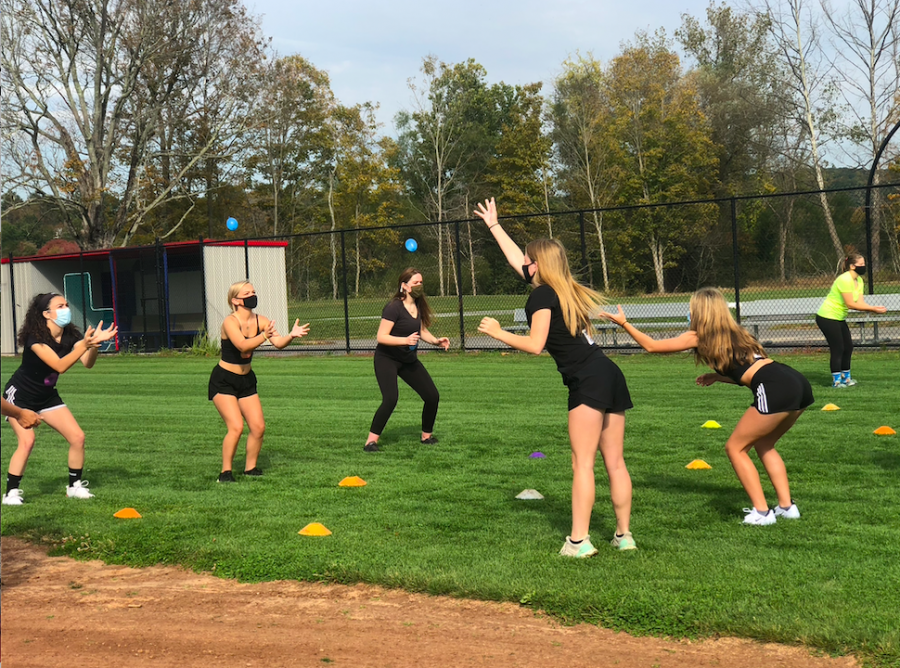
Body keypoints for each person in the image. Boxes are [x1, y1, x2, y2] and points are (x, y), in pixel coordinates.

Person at [473, 198, 637, 556]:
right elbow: (519, 261)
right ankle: (623, 537)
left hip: (587, 380)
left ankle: (578, 541)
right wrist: (494, 227)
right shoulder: (567, 291)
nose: (524, 264)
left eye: (529, 260)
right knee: (616, 462)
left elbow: (535, 345)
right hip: (608, 372)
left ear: (539, 266)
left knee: (583, 463)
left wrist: (498, 332)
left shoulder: (543, 296)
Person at [600, 286, 813, 525]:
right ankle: (787, 507)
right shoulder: (738, 333)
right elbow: (748, 369)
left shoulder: (699, 336)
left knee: (736, 448)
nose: (689, 313)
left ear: (700, 313)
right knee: (765, 444)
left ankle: (762, 512)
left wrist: (624, 323)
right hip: (795, 381)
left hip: (774, 387)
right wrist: (719, 376)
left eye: (691, 309)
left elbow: (652, 346)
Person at [3, 293, 117, 505]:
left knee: (77, 437)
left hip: (47, 397)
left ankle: (74, 487)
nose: (66, 308)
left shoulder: (70, 336)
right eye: (60, 305)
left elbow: (87, 363)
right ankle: (10, 493)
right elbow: (60, 366)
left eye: (66, 304)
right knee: (27, 442)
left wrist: (92, 346)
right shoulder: (34, 339)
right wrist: (85, 344)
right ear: (46, 314)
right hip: (20, 396)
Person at [210, 280, 309, 482]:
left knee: (258, 427)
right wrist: (264, 335)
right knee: (236, 426)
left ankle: (250, 468)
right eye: (247, 293)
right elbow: (242, 346)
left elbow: (278, 343)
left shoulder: (260, 320)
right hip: (224, 381)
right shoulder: (230, 322)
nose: (252, 295)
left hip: (246, 380)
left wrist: (291, 335)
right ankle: (225, 473)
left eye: (253, 291)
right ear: (236, 300)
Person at [363, 268, 450, 453]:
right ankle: (370, 442)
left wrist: (436, 341)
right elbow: (381, 337)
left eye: (421, 282)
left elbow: (421, 331)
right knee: (391, 399)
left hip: (408, 360)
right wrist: (404, 340)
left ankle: (426, 437)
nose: (419, 286)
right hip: (387, 359)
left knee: (432, 396)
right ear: (404, 286)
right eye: (415, 283)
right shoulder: (393, 307)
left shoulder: (417, 306)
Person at [815, 250, 887, 388]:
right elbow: (850, 304)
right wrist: (872, 310)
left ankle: (846, 378)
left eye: (864, 263)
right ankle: (836, 381)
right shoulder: (844, 279)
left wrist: (873, 308)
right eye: (861, 264)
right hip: (827, 317)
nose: (864, 266)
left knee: (848, 347)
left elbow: (860, 302)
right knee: (838, 348)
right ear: (852, 266)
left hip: (838, 318)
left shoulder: (859, 280)